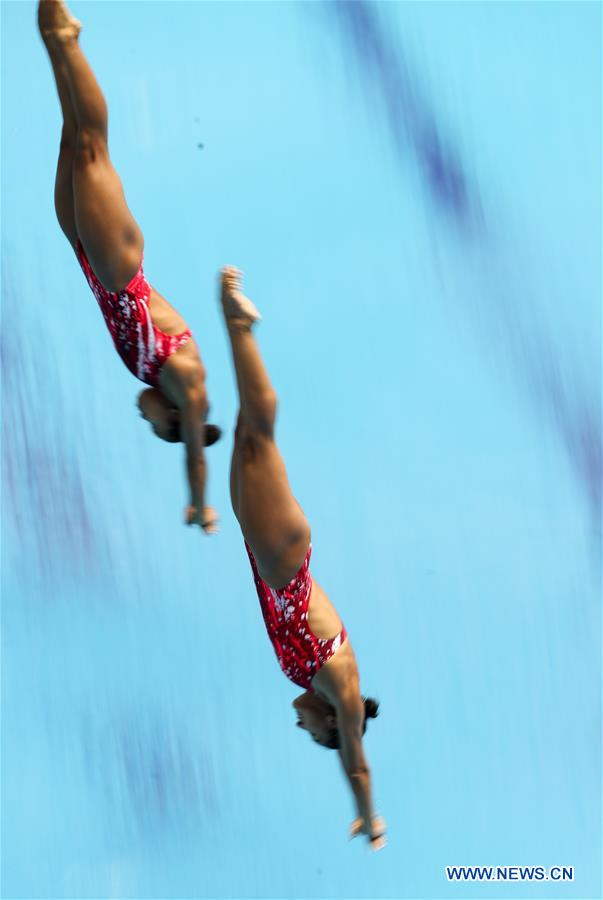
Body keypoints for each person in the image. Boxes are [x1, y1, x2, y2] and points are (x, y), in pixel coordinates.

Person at [220, 266, 386, 850]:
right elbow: (357, 763)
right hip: (285, 561)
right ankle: (238, 325)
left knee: (247, 435)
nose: (301, 724)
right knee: (258, 434)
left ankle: (238, 329)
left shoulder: (311, 679)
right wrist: (368, 815)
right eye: (313, 733)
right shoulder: (341, 687)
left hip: (266, 552)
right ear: (334, 722)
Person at [38, 0, 219, 533]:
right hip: (117, 267)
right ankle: (69, 42)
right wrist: (199, 503)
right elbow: (197, 452)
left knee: (73, 138)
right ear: (176, 421)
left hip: (92, 263)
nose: (143, 416)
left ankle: (54, 41)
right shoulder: (189, 386)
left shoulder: (154, 377)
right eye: (154, 426)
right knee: (93, 149)